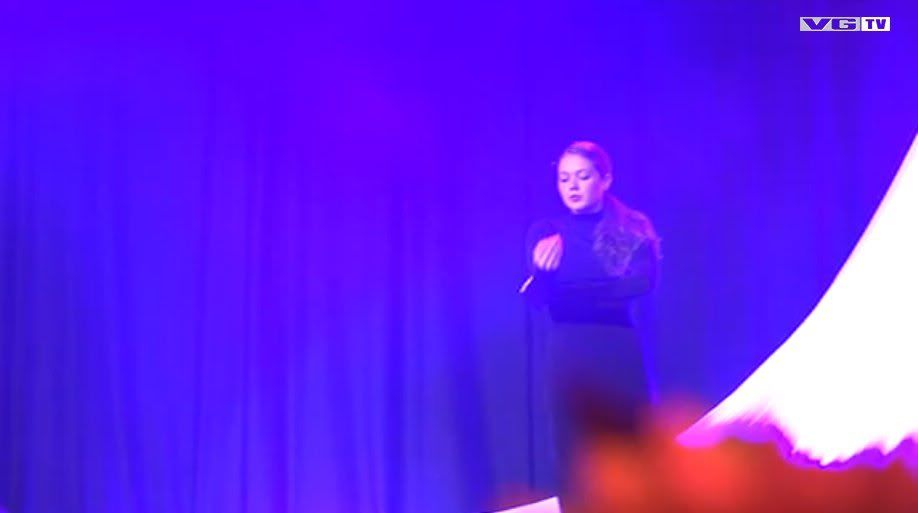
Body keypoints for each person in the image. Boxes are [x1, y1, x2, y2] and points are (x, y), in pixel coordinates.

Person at [523, 141, 661, 512]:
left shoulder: (631, 228)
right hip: (569, 351)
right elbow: (538, 299)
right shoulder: (547, 231)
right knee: (574, 453)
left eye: (582, 177)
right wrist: (544, 277)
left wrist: (570, 291)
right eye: (564, 178)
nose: (572, 186)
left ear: (605, 180)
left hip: (617, 350)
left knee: (629, 447)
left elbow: (640, 284)